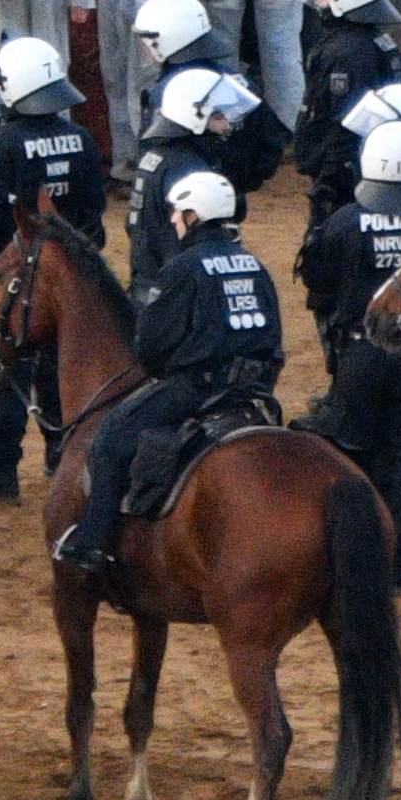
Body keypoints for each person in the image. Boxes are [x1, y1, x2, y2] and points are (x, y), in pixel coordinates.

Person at [48, 160, 289, 578]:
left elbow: (149, 345)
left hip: (198, 389)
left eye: (179, 212)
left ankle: (92, 541)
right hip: (257, 393)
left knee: (111, 437)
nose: (174, 220)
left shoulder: (182, 268)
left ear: (194, 216)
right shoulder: (253, 263)